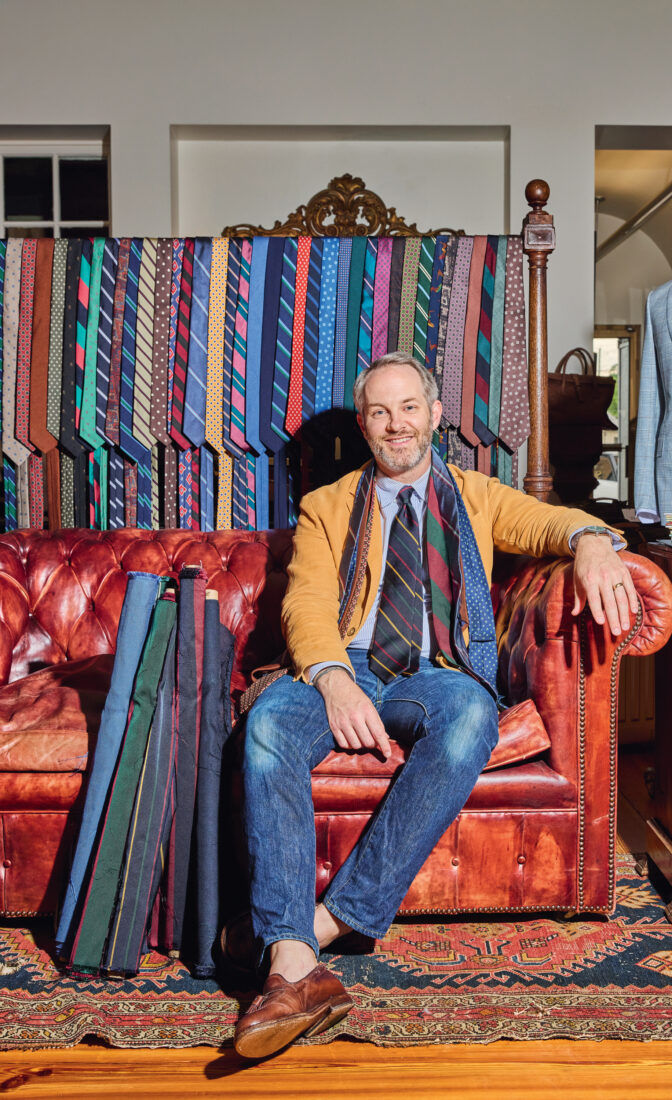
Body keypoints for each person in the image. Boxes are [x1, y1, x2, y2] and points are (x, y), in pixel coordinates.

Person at [231, 352, 638, 1060]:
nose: (397, 425)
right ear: (364, 424)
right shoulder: (326, 506)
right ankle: (295, 963)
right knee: (267, 726)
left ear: (435, 414)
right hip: (348, 663)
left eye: (409, 408)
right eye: (381, 412)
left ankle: (324, 924)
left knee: (472, 718)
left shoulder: (478, 494)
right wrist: (332, 680)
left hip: (437, 671)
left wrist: (594, 540)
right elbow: (304, 604)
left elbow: (551, 524)